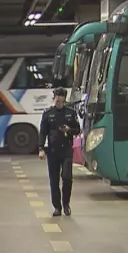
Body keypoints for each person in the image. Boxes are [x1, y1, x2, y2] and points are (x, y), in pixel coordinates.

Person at [38, 87, 82, 217]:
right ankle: (57, 207)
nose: (59, 102)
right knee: (54, 180)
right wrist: (41, 148)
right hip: (53, 151)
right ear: (54, 99)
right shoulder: (47, 114)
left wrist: (69, 129)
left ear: (64, 100)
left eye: (61, 100)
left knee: (67, 178)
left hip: (67, 150)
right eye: (57, 100)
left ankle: (66, 203)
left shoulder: (71, 113)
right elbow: (43, 132)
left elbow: (77, 130)